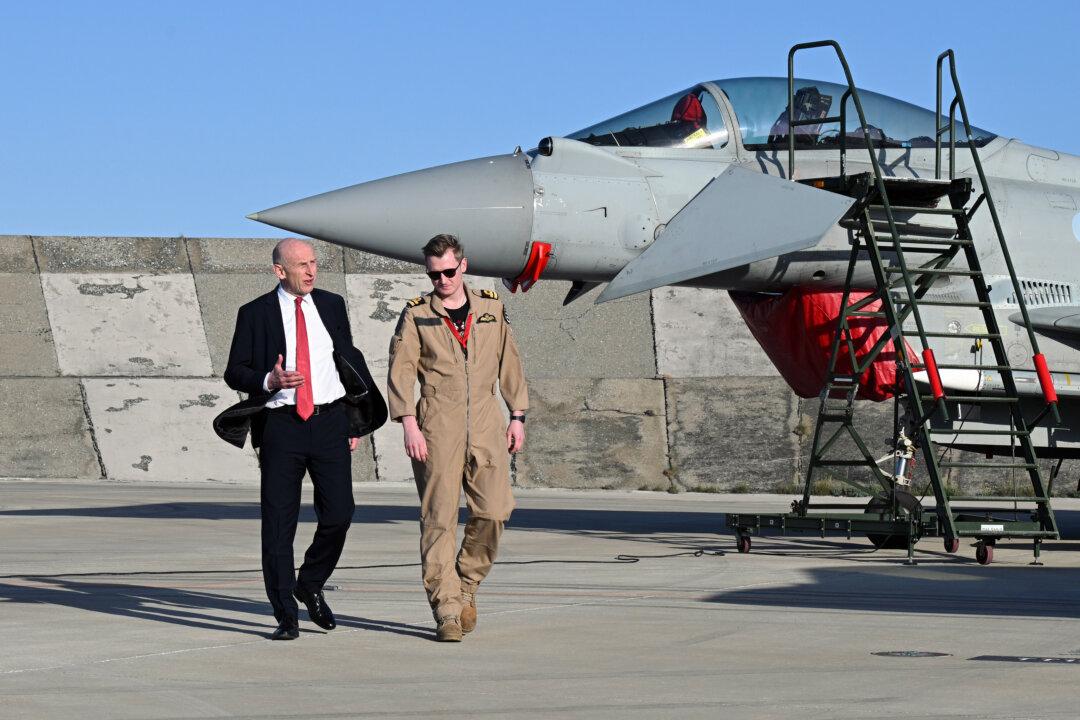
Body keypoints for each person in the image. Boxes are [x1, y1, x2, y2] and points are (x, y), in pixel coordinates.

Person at [217, 237, 386, 640]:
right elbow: (234, 371)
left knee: (339, 513)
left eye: (314, 263)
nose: (311, 271)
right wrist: (268, 380)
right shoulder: (255, 313)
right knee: (279, 524)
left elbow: (345, 362)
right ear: (280, 271)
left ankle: (309, 583)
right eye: (301, 265)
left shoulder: (331, 305)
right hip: (281, 426)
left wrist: (352, 420)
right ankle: (285, 615)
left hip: (329, 422)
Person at [387, 234, 528, 642]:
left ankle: (465, 585)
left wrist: (516, 415)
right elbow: (401, 371)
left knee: (496, 510)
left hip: (486, 418)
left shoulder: (491, 308)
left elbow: (510, 362)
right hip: (437, 423)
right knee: (439, 520)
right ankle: (447, 610)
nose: (442, 280)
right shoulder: (416, 315)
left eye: (449, 271)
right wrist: (409, 423)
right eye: (434, 275)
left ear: (462, 266)